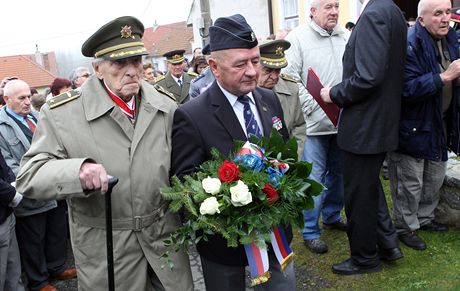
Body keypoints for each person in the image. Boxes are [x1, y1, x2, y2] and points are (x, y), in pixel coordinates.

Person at [16, 16, 193, 290]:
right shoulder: (63, 114)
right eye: (119, 63)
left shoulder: (164, 105)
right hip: (107, 248)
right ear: (97, 69)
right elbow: (29, 175)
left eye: (136, 60)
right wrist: (78, 171)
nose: (132, 70)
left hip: (163, 240)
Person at [171, 14, 295, 291]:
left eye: (255, 60)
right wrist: (226, 206)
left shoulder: (269, 99)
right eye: (240, 64)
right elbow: (184, 185)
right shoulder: (192, 116)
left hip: (275, 233)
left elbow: (284, 155)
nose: (252, 71)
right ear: (214, 66)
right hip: (224, 247)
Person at [320, 0, 407, 275]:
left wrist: (333, 93)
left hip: (364, 127)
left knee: (359, 198)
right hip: (377, 123)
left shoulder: (375, 14)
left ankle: (364, 258)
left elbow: (368, 77)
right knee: (369, 190)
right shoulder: (390, 9)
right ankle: (388, 244)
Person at [388, 0, 460, 251]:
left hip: (440, 123)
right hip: (412, 126)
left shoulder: (450, 38)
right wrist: (446, 77)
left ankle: (425, 218)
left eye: (447, 12)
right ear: (421, 20)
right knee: (410, 181)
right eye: (437, 13)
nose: (445, 18)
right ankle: (405, 227)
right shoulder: (409, 44)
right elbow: (405, 89)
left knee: (434, 176)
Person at [283, 0, 348, 254]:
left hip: (342, 123)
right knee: (314, 178)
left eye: (336, 6)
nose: (334, 11)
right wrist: (314, 106)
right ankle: (310, 230)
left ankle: (332, 216)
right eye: (327, 6)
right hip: (314, 125)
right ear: (313, 11)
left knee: (339, 174)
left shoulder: (345, 36)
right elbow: (291, 77)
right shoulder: (297, 38)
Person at [0, 79, 76, 291]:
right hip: (30, 191)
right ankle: (39, 281)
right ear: (6, 99)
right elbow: (9, 165)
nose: (27, 102)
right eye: (21, 98)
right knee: (33, 239)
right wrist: (39, 178)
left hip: (53, 186)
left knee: (56, 230)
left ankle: (57, 267)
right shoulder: (1, 126)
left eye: (29, 97)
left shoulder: (36, 116)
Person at [257, 39, 306, 157]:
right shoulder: (244, 91)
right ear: (254, 65)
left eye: (278, 70)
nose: (274, 77)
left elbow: (298, 127)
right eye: (268, 70)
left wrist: (293, 158)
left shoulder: (290, 88)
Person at [0, 150, 25, 291]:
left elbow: (3, 165)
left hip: (7, 214)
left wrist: (12, 184)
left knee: (14, 274)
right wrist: (12, 194)